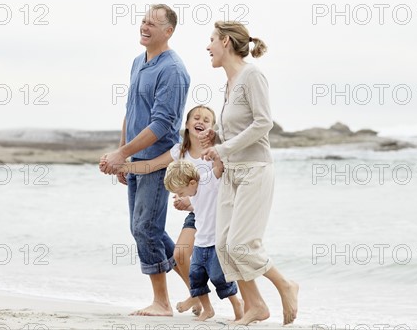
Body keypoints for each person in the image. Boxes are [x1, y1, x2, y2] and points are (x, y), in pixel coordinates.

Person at [199, 21, 299, 325]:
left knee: (242, 245)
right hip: (231, 173)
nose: (208, 47)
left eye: (212, 40)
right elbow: (239, 128)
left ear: (226, 42)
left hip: (255, 170)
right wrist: (216, 136)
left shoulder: (252, 75)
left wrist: (223, 149)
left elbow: (263, 123)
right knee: (223, 246)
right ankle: (255, 306)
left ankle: (285, 285)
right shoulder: (229, 83)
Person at [99, 4, 190, 317]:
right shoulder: (138, 62)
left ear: (169, 31)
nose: (145, 27)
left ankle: (162, 303)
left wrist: (123, 155)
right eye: (143, 21)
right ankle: (198, 287)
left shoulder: (174, 70)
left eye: (153, 24)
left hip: (158, 162)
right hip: (135, 159)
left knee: (145, 229)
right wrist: (122, 152)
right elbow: (131, 110)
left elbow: (163, 124)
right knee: (144, 229)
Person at [113, 105, 217, 317]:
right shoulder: (180, 152)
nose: (201, 121)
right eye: (196, 118)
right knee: (179, 253)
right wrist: (123, 167)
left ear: (213, 128)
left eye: (207, 120)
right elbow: (151, 166)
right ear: (186, 124)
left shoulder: (215, 152)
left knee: (222, 263)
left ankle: (239, 304)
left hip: (219, 216)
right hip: (196, 215)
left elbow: (220, 183)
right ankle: (198, 296)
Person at [165, 159, 243, 321]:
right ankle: (207, 310)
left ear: (192, 182)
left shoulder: (208, 182)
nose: (180, 196)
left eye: (180, 192)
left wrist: (213, 151)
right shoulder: (192, 194)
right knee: (195, 278)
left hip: (216, 243)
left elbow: (219, 167)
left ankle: (238, 307)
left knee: (219, 278)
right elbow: (198, 207)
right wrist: (184, 204)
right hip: (200, 244)